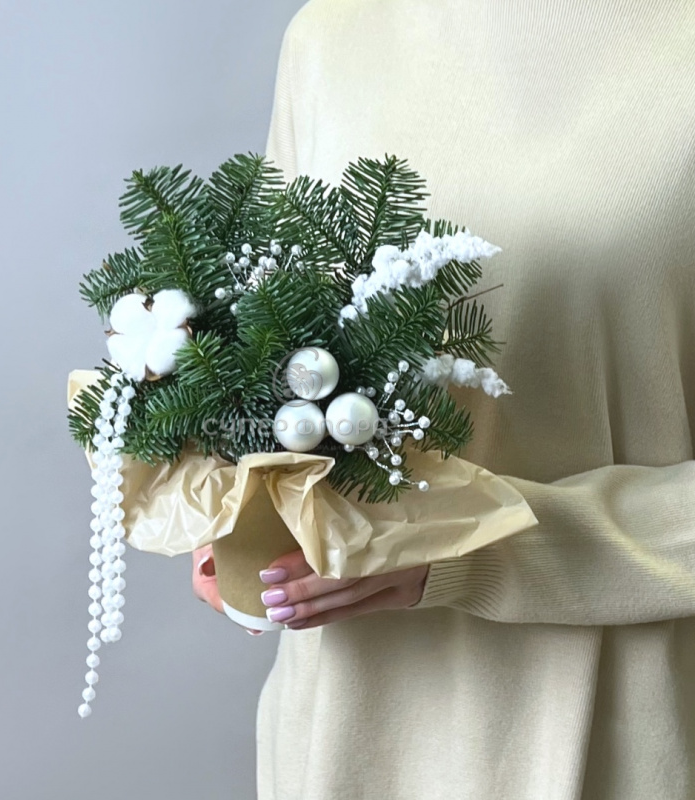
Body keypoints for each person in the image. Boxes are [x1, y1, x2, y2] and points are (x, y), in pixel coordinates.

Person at [193, 1, 695, 797]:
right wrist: (234, 502)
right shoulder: (331, 34)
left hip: (623, 721)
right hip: (347, 730)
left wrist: (475, 548)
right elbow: (268, 342)